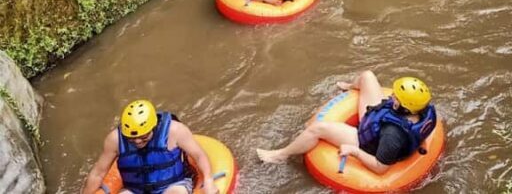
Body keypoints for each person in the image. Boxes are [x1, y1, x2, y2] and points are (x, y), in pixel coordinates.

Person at [256, 71, 437, 174]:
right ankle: (350, 87)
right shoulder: (423, 110)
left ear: (405, 108)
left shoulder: (392, 135)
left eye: (395, 98)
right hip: (378, 121)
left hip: (367, 142)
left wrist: (355, 152)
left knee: (316, 129)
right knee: (367, 76)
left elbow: (381, 168)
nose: (391, 96)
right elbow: (391, 109)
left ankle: (281, 155)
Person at [82, 99, 218, 194]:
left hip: (173, 185)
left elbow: (199, 156)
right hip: (135, 190)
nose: (137, 141)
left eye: (143, 136)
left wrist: (208, 179)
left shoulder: (175, 131)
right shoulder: (115, 139)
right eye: (131, 137)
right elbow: (98, 173)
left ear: (154, 126)